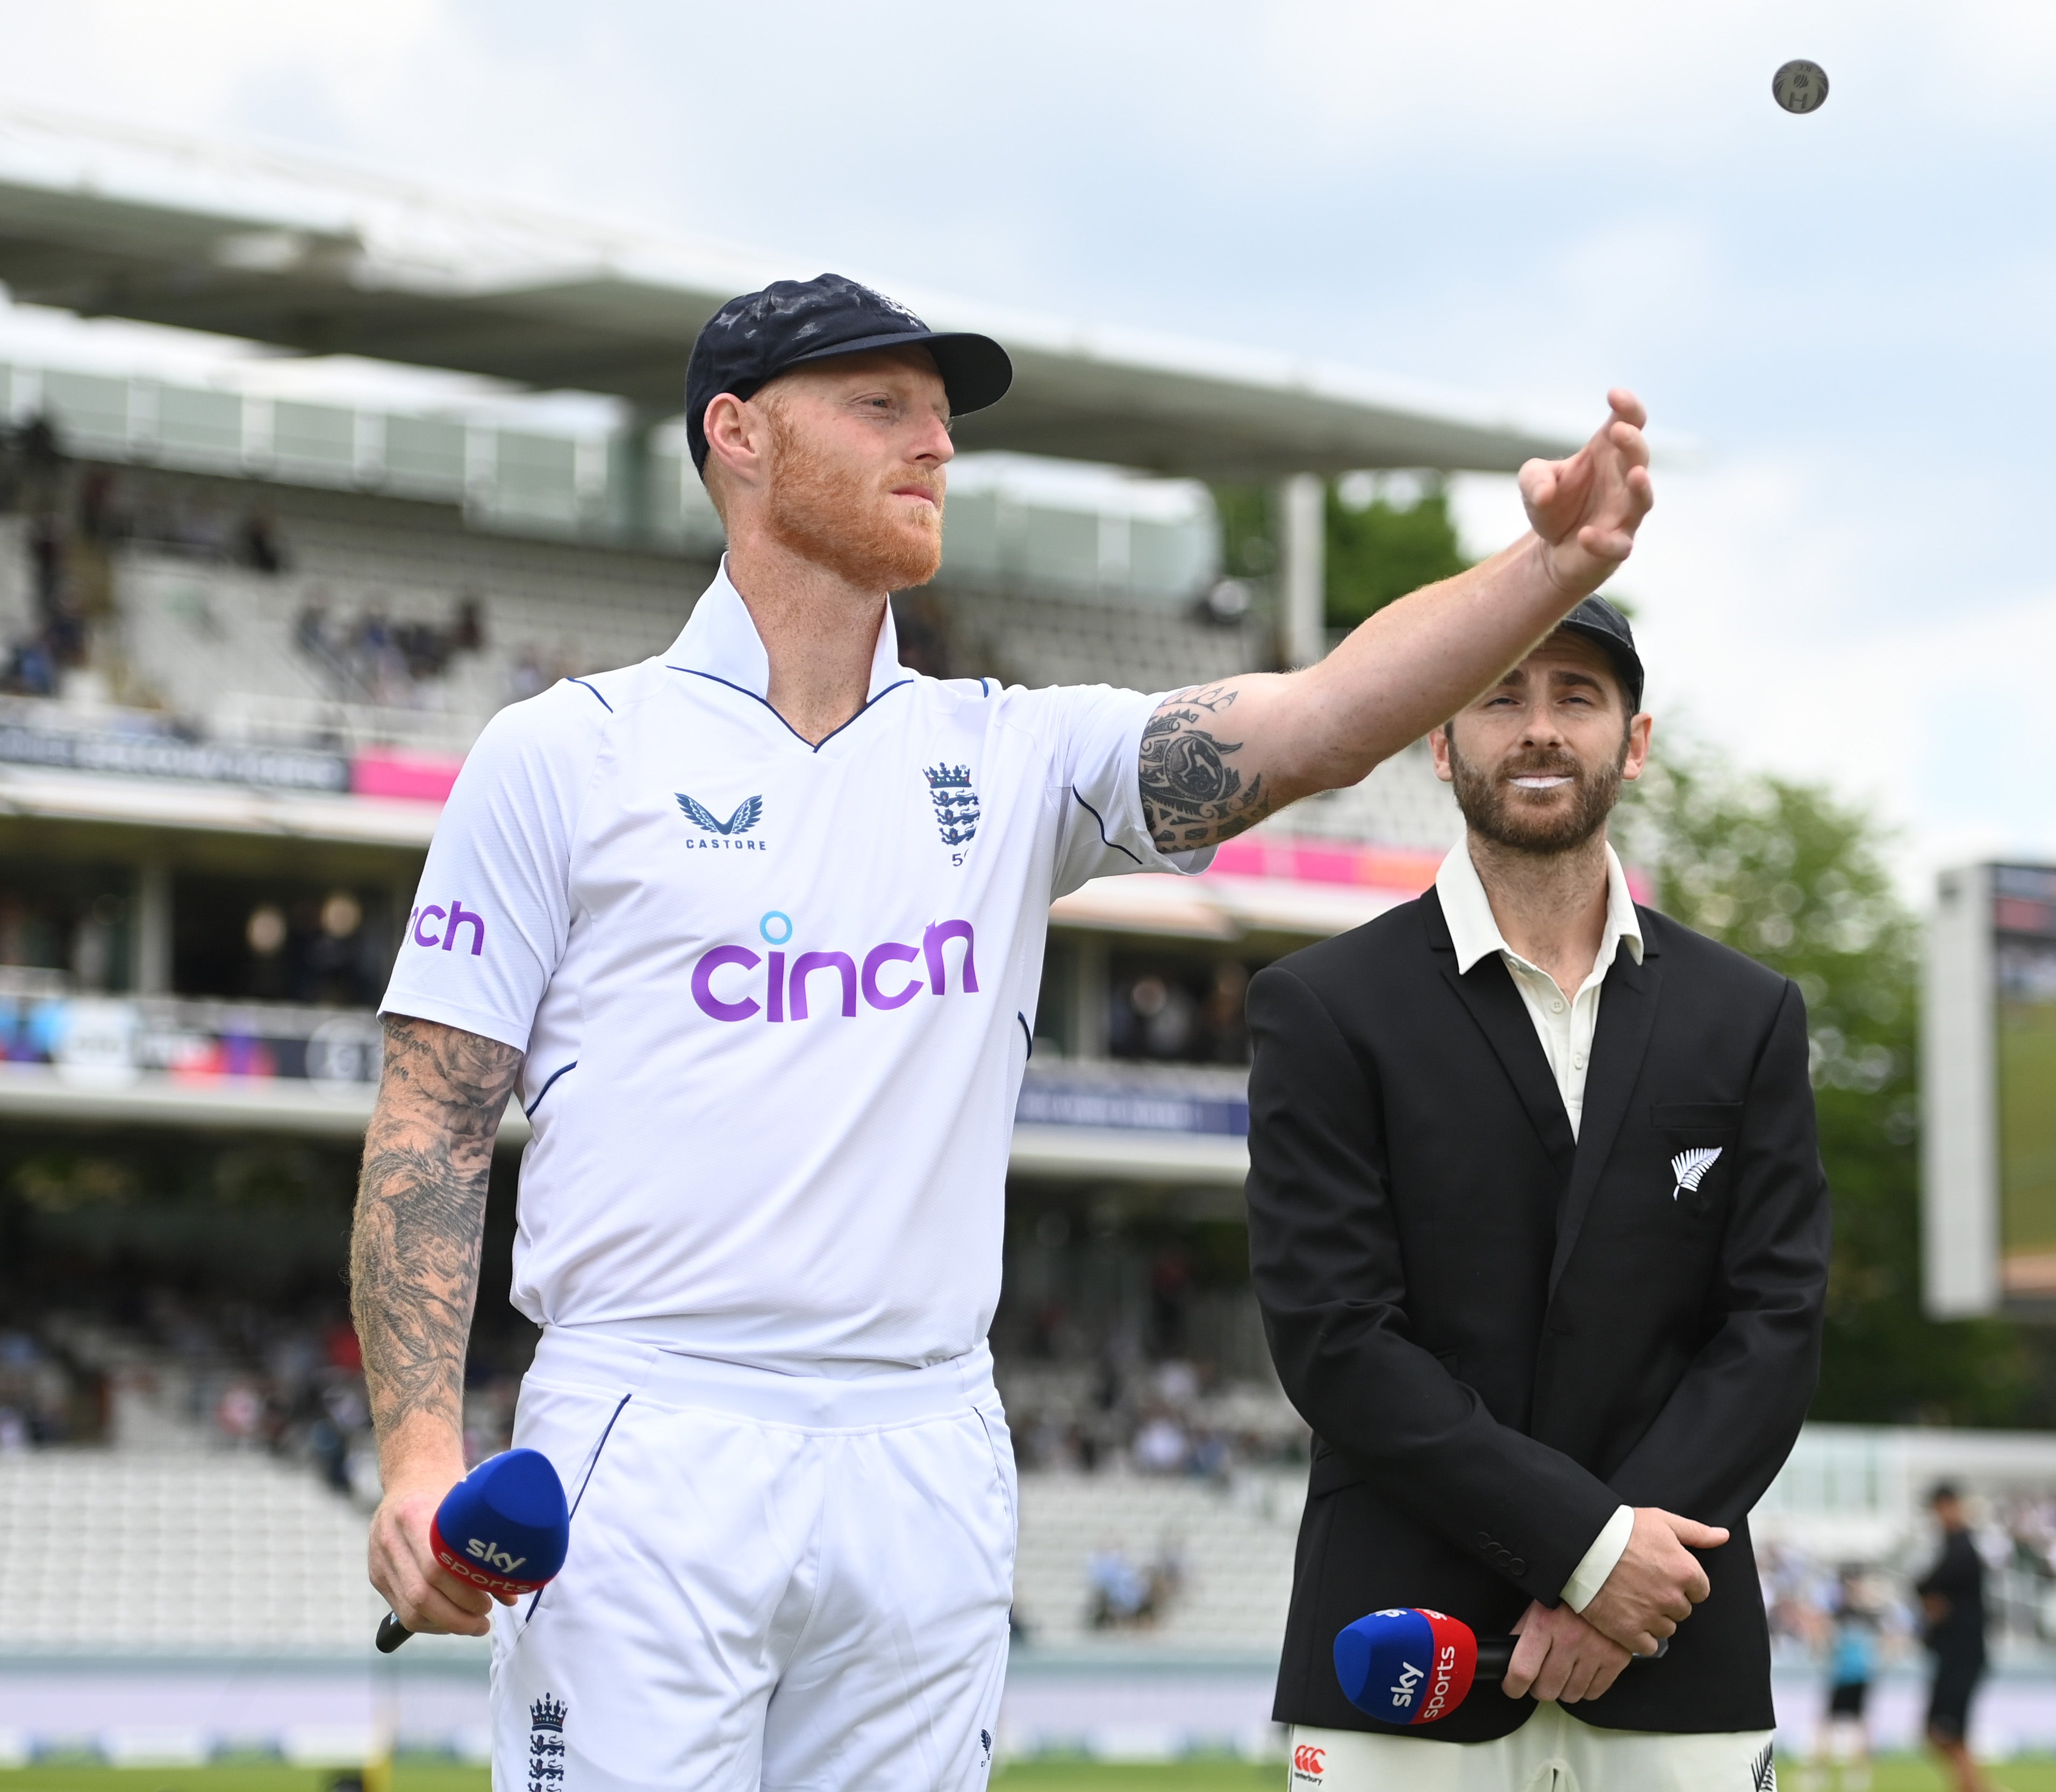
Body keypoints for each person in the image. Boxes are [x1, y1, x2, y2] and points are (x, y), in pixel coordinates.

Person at [349, 272, 1656, 1791]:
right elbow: (432, 1121)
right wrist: (420, 1456)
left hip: (929, 1443)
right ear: (738, 437)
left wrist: (1548, 566)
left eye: (943, 418)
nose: (936, 446)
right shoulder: (566, 752)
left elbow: (1318, 721)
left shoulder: (1013, 750)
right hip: (647, 1432)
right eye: (881, 406)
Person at [1243, 600, 1828, 1787]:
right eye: (1500, 694)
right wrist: (1586, 1548)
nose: (1538, 728)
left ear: (1635, 738)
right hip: (1400, 1660)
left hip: (1675, 1653)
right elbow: (1336, 1338)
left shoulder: (1746, 1012)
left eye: (1575, 697)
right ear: (1438, 739)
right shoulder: (1322, 1005)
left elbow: (1772, 1327)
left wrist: (1618, 1581)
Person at [1917, 1482, 1990, 1792]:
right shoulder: (1952, 1546)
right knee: (1945, 1732)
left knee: (1945, 1731)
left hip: (1962, 1655)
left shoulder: (1962, 1550)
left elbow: (1927, 1587)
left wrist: (1931, 1603)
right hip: (1955, 1655)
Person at [1808, 1572, 1878, 1792]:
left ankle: (1856, 1774)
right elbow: (1824, 1638)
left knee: (1857, 1726)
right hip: (1841, 1675)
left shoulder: (1867, 1615)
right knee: (1829, 1725)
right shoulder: (1839, 1613)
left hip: (1857, 1676)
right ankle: (1819, 1773)